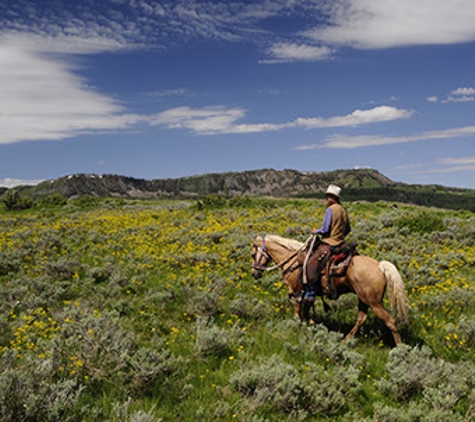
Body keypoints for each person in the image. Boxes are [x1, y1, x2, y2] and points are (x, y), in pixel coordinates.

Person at [304, 184, 351, 301]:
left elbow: (325, 229)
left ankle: (310, 294)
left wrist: (316, 231)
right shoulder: (343, 210)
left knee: (311, 263)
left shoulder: (330, 210)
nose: (327, 199)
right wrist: (340, 235)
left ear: (333, 197)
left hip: (330, 243)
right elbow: (348, 229)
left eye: (329, 196)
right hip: (341, 242)